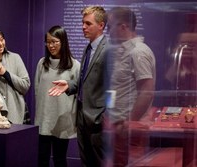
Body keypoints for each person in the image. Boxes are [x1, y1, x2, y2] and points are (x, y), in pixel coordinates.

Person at [48, 6, 108, 167]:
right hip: (82, 118)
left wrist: (105, 116)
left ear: (101, 25)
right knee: (86, 161)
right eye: (83, 23)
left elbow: (114, 87)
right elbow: (87, 80)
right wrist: (69, 85)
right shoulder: (88, 48)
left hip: (97, 120)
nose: (83, 27)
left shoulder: (108, 50)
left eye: (88, 23)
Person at [106, 7, 156, 166]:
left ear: (123, 27)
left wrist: (130, 123)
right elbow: (114, 86)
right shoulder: (120, 52)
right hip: (116, 125)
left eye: (109, 27)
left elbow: (147, 92)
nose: (108, 32)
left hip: (128, 128)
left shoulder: (138, 52)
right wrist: (107, 113)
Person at [35, 25, 80, 167]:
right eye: (48, 42)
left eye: (54, 41)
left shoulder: (74, 65)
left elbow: (78, 92)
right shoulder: (42, 63)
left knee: (59, 159)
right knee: (42, 159)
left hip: (62, 119)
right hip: (44, 119)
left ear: (63, 42)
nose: (51, 45)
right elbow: (37, 90)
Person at [0, 28, 31, 124]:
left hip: (16, 112)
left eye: (2, 39)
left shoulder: (15, 58)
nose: (1, 44)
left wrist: (5, 73)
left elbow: (25, 85)